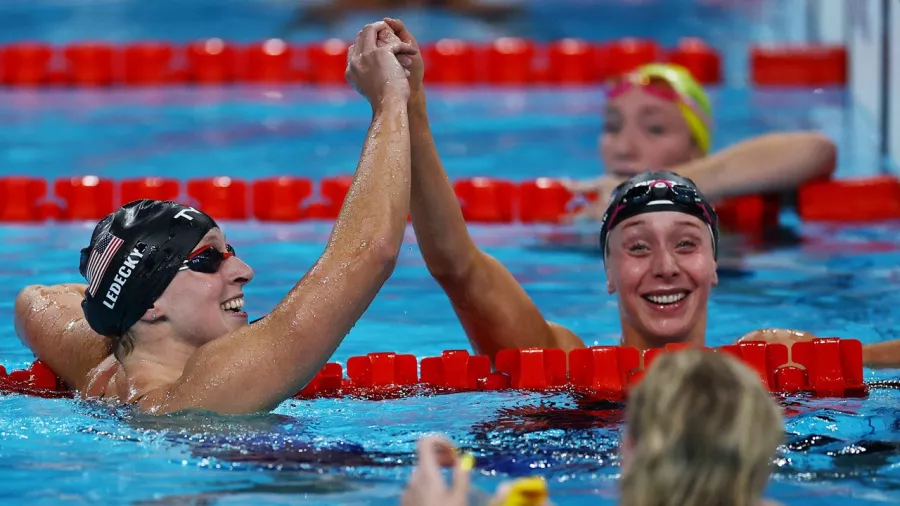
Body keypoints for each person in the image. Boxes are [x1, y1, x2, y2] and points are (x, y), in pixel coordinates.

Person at [378, 17, 900, 366]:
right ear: (607, 271)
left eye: (688, 243)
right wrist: (412, 109)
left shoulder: (767, 360)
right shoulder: (563, 368)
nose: (666, 266)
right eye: (638, 246)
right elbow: (457, 267)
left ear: (715, 265)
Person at [13, 21, 417, 415]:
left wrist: (119, 306)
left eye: (230, 252)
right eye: (208, 260)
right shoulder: (209, 389)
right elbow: (369, 254)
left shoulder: (101, 371)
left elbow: (34, 302)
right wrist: (389, 102)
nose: (244, 271)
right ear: (151, 304)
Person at [563, 62, 838, 220]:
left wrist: (655, 188)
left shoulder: (725, 214)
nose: (624, 148)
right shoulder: (577, 212)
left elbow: (816, 150)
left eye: (655, 129)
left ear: (696, 150)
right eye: (612, 127)